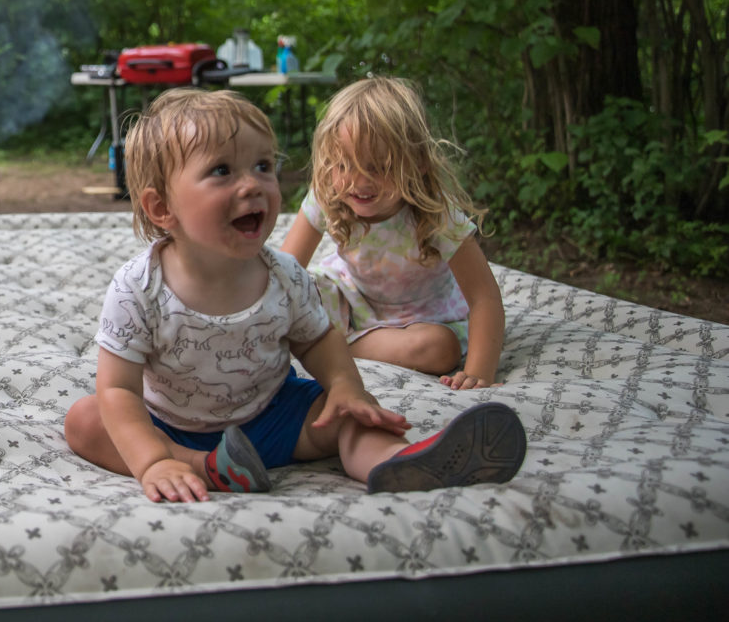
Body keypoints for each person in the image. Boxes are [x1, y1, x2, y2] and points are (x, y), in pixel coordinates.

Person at [64, 87, 525, 502]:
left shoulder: (283, 275)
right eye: (222, 171)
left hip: (276, 416)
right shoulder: (137, 288)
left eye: (263, 166)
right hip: (171, 427)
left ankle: (401, 464)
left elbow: (319, 341)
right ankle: (201, 468)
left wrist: (346, 385)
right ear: (162, 207)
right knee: (87, 420)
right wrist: (151, 461)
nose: (252, 184)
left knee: (350, 418)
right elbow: (118, 389)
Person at [281, 76, 505, 391]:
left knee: (440, 349)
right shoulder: (327, 193)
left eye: (377, 168)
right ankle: (327, 341)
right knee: (302, 292)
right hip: (350, 301)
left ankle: (328, 347)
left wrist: (479, 372)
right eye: (343, 165)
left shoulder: (436, 215)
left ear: (419, 163)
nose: (358, 182)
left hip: (422, 321)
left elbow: (484, 296)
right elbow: (285, 270)